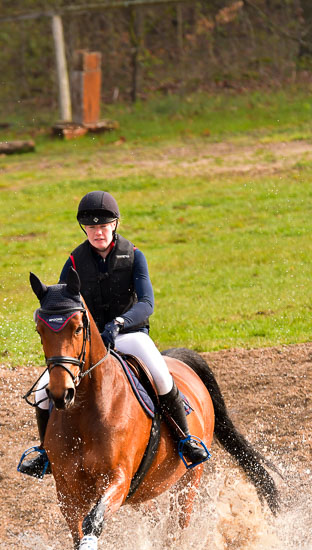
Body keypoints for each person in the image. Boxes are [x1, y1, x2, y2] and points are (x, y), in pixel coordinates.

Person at [18, 190, 210, 478]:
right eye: (92, 227)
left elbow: (147, 303)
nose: (98, 232)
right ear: (85, 228)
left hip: (128, 335)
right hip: (88, 344)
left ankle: (185, 440)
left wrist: (119, 322)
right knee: (46, 388)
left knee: (160, 374)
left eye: (103, 226)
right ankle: (45, 453)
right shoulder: (74, 261)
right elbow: (63, 303)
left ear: (115, 225)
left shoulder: (134, 256)